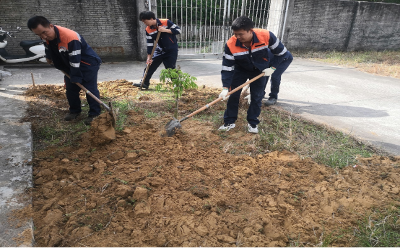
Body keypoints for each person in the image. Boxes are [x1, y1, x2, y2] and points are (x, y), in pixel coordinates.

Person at [27, 16, 102, 125]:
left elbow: (75, 60)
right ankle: (75, 111)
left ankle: (95, 113)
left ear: (51, 26)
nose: (43, 36)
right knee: (71, 89)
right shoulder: (46, 36)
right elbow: (48, 46)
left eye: (44, 33)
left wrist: (76, 77)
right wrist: (49, 56)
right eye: (38, 35)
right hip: (69, 63)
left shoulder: (70, 38)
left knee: (89, 89)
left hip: (87, 64)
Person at [219, 16, 277, 134]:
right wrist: (225, 87)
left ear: (250, 30)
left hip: (260, 69)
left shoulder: (266, 36)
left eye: (240, 34)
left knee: (257, 97)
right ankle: (229, 122)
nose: (238, 37)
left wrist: (273, 67)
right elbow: (227, 67)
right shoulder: (231, 44)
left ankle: (253, 123)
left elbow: (282, 54)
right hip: (240, 69)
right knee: (233, 94)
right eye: (235, 34)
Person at [132, 11, 181, 90]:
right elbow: (150, 43)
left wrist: (165, 30)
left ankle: (177, 85)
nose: (144, 23)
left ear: (151, 19)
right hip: (159, 50)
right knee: (149, 66)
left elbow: (178, 30)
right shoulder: (148, 29)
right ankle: (144, 83)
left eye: (145, 21)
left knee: (170, 68)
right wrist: (149, 57)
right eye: (143, 22)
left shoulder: (165, 22)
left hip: (171, 50)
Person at [262, 39, 293, 106]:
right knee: (264, 74)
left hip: (284, 59)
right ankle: (261, 93)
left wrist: (273, 68)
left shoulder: (267, 53)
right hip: (272, 59)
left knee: (275, 76)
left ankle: (273, 97)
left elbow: (280, 58)